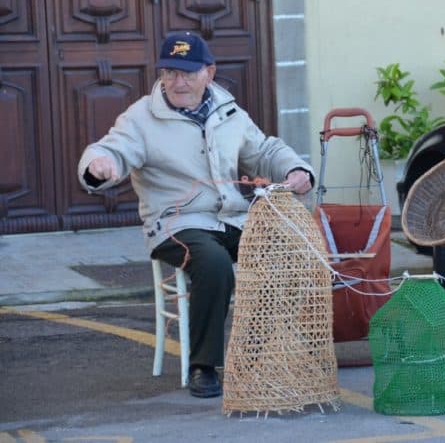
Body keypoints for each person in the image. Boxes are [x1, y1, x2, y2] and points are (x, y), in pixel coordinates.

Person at [78, 32, 314, 398]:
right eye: (169, 72)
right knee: (214, 264)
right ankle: (204, 365)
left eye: (188, 73)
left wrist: (297, 170)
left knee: (287, 252)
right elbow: (112, 149)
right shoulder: (141, 117)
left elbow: (264, 150)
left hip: (231, 218)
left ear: (209, 72)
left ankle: (253, 354)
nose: (178, 82)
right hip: (175, 223)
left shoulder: (228, 109)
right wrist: (98, 166)